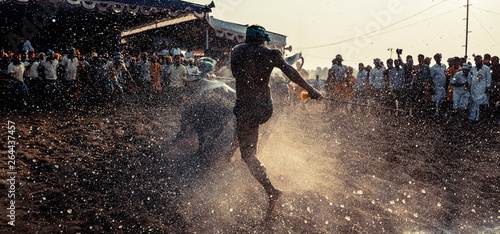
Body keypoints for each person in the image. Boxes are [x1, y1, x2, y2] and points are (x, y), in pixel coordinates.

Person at [231, 25, 323, 216]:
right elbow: (291, 72)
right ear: (263, 39)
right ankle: (241, 143)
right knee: (248, 134)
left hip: (245, 106)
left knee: (248, 154)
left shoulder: (237, 51)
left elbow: (237, 75)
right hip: (264, 108)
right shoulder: (271, 54)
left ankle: (272, 191)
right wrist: (311, 90)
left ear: (247, 38)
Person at [469, 55, 492, 122]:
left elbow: (488, 79)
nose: (477, 62)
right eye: (476, 61)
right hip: (474, 88)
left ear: (481, 61)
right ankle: (472, 118)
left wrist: (487, 88)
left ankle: (479, 118)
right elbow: (470, 77)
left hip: (482, 88)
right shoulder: (473, 69)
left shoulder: (486, 68)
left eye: (478, 61)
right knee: (473, 103)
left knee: (481, 103)